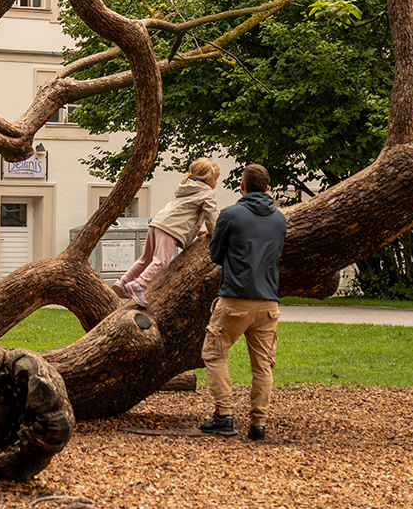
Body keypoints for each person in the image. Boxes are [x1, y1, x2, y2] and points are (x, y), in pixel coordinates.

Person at [198, 163, 286, 442]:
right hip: (269, 302)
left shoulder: (230, 214)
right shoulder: (280, 220)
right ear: (268, 189)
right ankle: (258, 424)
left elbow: (214, 255)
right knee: (262, 366)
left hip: (235, 298)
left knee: (214, 353)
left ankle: (224, 414)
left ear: (242, 187)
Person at [113, 158, 220, 305]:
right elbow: (212, 214)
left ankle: (123, 281)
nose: (216, 183)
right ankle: (138, 285)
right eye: (215, 179)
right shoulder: (206, 192)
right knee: (161, 262)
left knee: (146, 259)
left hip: (157, 223)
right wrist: (214, 232)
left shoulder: (187, 187)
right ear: (207, 178)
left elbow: (184, 214)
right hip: (170, 229)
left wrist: (198, 232)